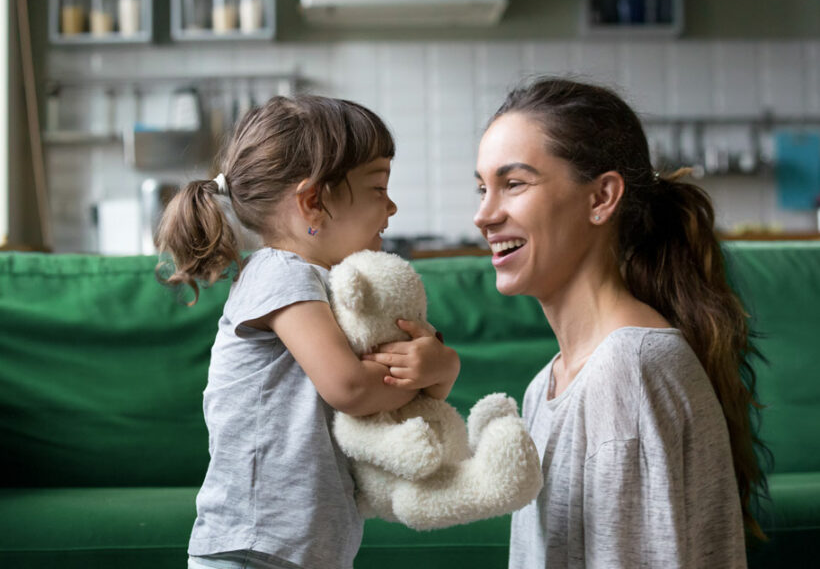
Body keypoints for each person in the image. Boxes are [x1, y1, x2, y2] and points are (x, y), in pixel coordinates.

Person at [471, 78, 768, 568]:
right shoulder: (546, 385)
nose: (483, 214)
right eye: (482, 187)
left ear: (601, 198)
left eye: (514, 183)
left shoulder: (626, 371)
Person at [156, 95, 460, 569]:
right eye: (379, 187)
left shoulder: (334, 287)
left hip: (305, 547)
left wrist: (439, 366)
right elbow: (352, 387)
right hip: (252, 546)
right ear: (313, 201)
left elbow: (407, 390)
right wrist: (432, 369)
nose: (393, 206)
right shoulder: (280, 273)